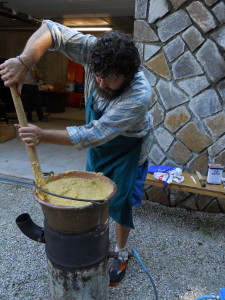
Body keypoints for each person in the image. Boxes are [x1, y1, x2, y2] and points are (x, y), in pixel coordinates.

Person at [0, 20, 154, 286]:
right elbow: (51, 29)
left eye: (111, 78)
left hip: (127, 148)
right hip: (99, 147)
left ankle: (120, 250)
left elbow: (93, 133)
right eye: (97, 74)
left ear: (128, 75)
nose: (101, 81)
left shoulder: (139, 94)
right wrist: (24, 62)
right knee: (93, 190)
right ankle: (92, 234)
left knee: (120, 201)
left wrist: (43, 135)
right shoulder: (94, 51)